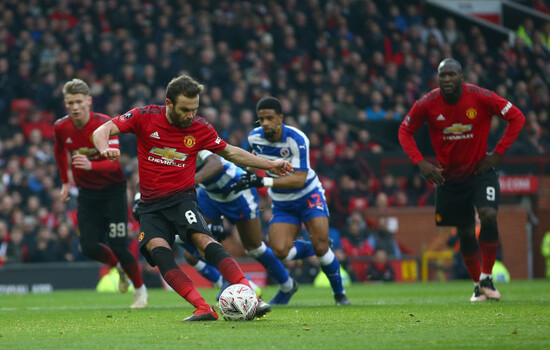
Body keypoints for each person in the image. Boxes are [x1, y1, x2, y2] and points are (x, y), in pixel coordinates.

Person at [92, 75, 292, 321]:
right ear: (169, 103)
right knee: (159, 252)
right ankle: (202, 307)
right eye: (185, 109)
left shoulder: (200, 127)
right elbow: (103, 129)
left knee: (202, 240)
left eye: (194, 109)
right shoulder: (144, 116)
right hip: (150, 205)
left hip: (182, 198)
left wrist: (270, 164)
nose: (190, 115)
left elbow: (230, 152)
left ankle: (250, 295)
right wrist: (103, 149)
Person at [398, 58, 525, 302]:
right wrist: (422, 163)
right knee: (465, 233)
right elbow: (404, 131)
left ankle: (487, 277)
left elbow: (517, 117)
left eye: (451, 75)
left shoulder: (481, 97)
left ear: (461, 77)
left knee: (488, 215)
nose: (446, 80)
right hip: (449, 178)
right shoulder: (427, 103)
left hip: (480, 172)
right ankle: (478, 285)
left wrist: (497, 154)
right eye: (442, 75)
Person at [228, 96, 350, 305]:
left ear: (280, 118)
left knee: (323, 248)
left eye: (269, 118)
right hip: (283, 202)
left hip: (308, 195)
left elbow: (298, 179)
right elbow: (253, 162)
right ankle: (309, 248)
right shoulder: (254, 138)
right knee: (281, 252)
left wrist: (260, 181)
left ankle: (339, 294)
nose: (265, 122)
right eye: (261, 118)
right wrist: (244, 176)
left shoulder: (297, 139)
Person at [54, 79, 147, 308]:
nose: (75, 107)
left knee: (118, 245)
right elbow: (58, 151)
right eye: (71, 103)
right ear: (66, 103)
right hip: (87, 193)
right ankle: (118, 268)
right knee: (88, 246)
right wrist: (65, 182)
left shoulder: (104, 124)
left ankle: (140, 290)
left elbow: (115, 163)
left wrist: (90, 165)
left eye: (79, 102)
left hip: (113, 191)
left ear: (89, 101)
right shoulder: (61, 127)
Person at [183, 150, 298, 304]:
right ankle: (226, 281)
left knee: (254, 248)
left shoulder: (195, 140)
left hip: (237, 193)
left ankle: (287, 285)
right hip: (210, 196)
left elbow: (216, 164)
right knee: (191, 243)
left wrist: (190, 181)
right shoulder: (168, 150)